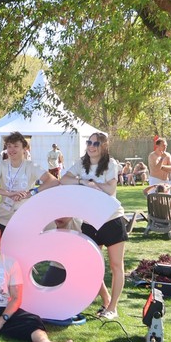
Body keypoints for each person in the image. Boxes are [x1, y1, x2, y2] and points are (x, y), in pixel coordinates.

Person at [61, 133, 127, 320]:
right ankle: (106, 300)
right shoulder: (82, 164)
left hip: (111, 219)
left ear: (104, 146)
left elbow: (111, 190)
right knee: (91, 265)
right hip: (89, 222)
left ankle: (113, 307)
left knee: (116, 265)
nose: (91, 146)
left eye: (96, 143)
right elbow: (64, 179)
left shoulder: (111, 164)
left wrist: (94, 185)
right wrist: (83, 181)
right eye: (89, 142)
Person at [0, 132, 59, 234]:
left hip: (25, 216)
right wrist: (8, 193)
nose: (12, 150)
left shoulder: (32, 166)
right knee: (2, 247)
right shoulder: (1, 165)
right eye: (9, 146)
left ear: (24, 149)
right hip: (3, 216)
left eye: (16, 146)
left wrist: (30, 193)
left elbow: (53, 181)